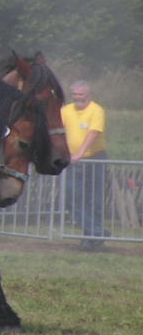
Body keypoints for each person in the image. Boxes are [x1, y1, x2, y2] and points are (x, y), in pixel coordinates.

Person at [61, 81, 110, 248]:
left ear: (88, 95)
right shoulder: (66, 111)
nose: (77, 97)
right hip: (73, 162)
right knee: (71, 199)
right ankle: (97, 232)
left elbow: (94, 133)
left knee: (93, 200)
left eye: (80, 94)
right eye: (75, 94)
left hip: (95, 159)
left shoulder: (96, 110)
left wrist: (80, 153)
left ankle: (90, 238)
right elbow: (57, 130)